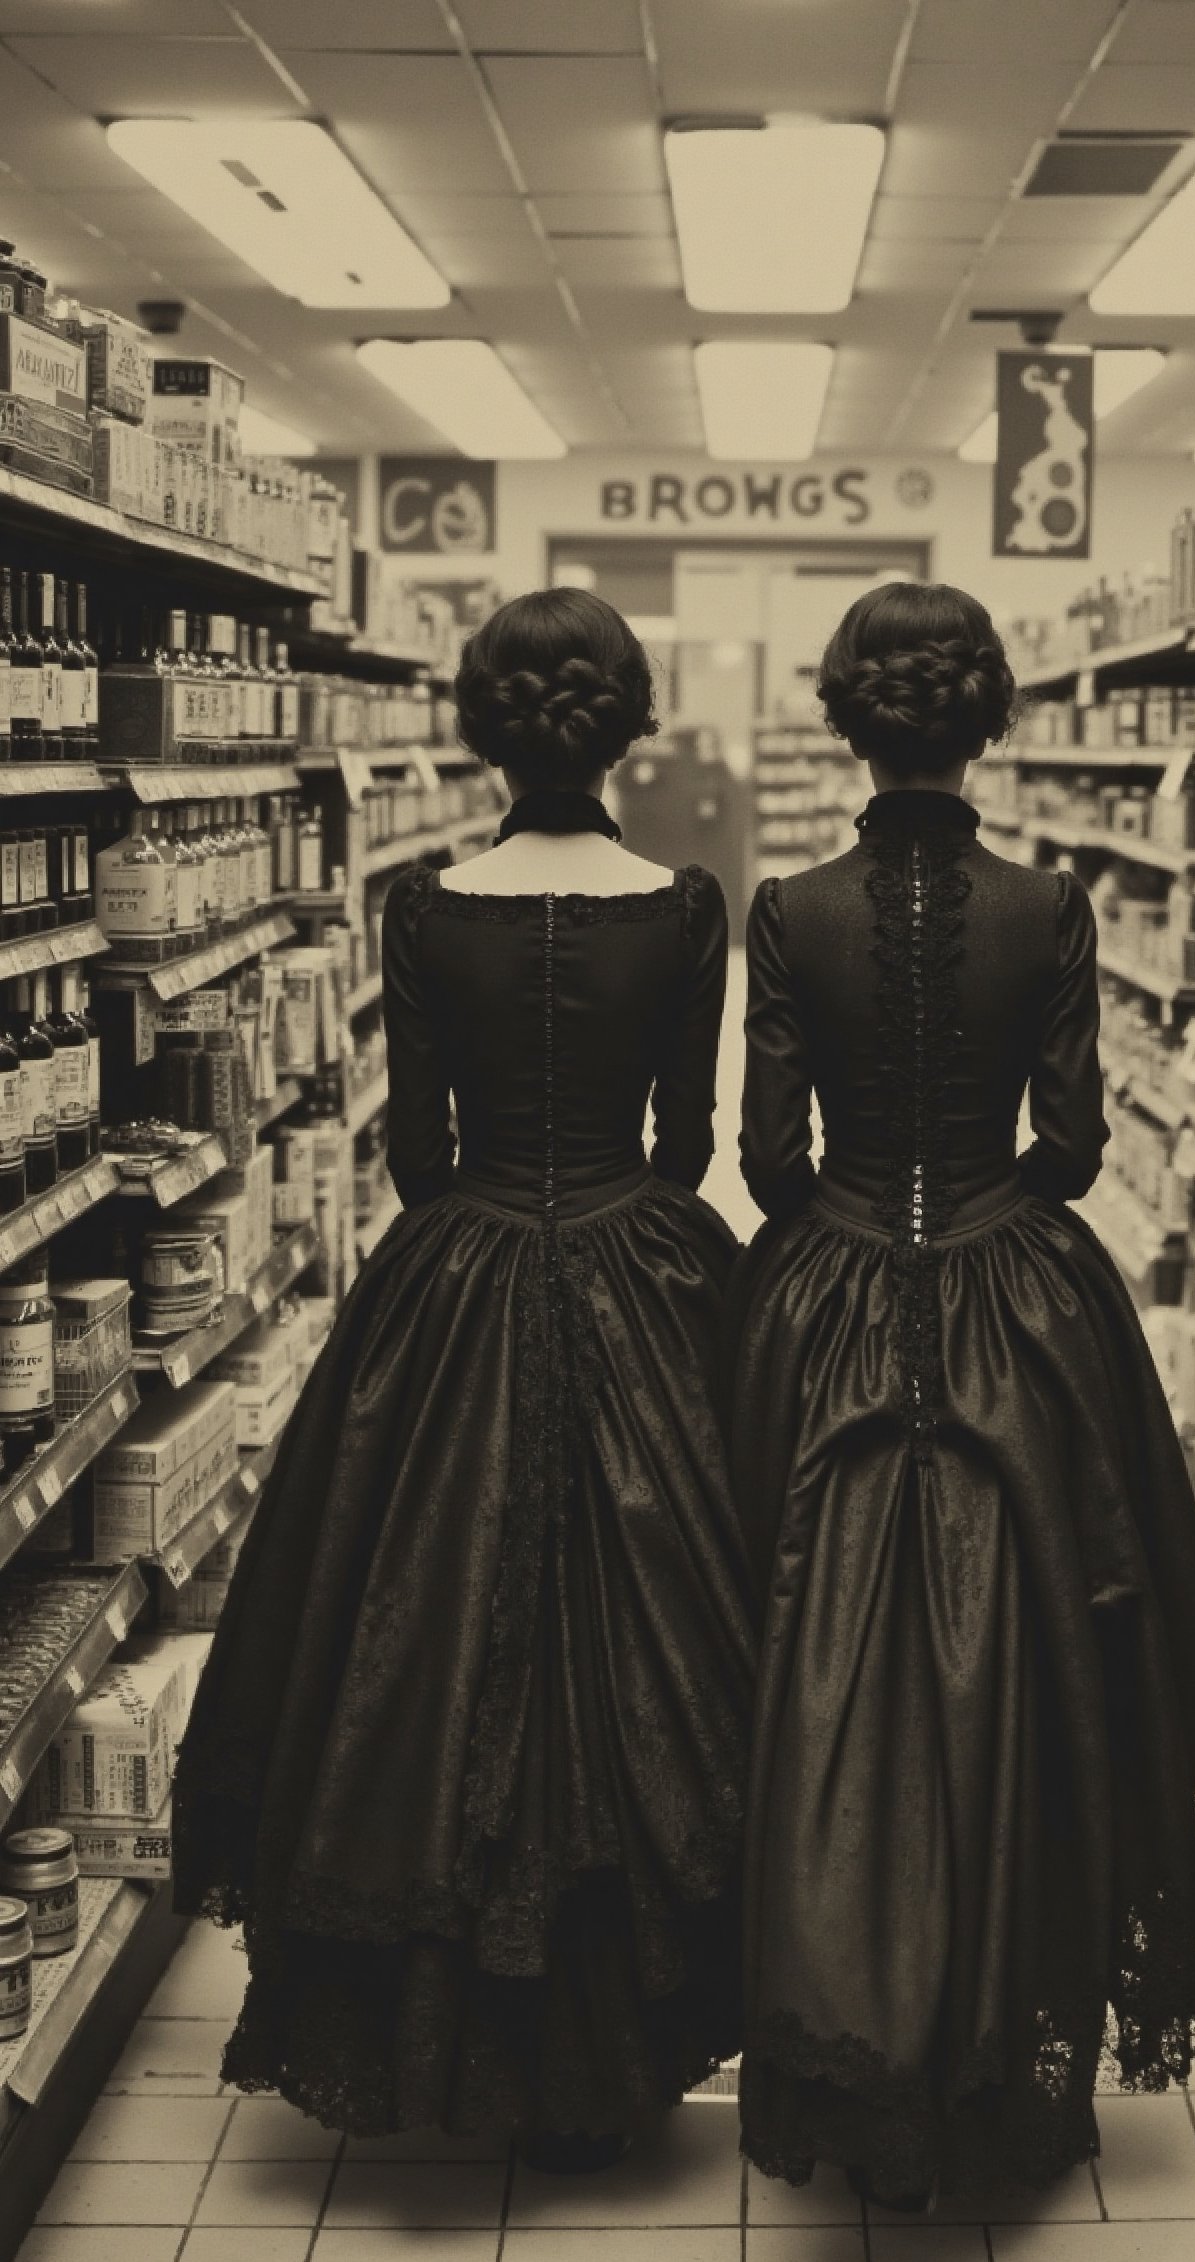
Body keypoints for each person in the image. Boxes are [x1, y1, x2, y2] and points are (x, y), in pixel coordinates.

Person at [173, 589, 756, 2161]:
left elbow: (419, 1157)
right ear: (627, 726)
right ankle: (632, 2023)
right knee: (670, 1635)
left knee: (413, 1626)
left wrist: (492, 1246)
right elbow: (689, 1148)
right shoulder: (686, 904)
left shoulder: (424, 907)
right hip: (648, 1262)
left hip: (460, 1268)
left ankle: (440, 2009)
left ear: (478, 729)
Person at [730, 582, 1195, 2211]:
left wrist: (859, 1249)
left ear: (848, 717)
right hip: (1030, 1313)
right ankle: (1017, 2027)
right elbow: (1077, 1149)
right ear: (990, 714)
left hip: (834, 1294)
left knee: (807, 1661)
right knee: (1069, 1657)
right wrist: (981, 1222)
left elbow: (768, 1163)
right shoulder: (1057, 902)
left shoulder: (790, 907)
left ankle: (838, 2011)